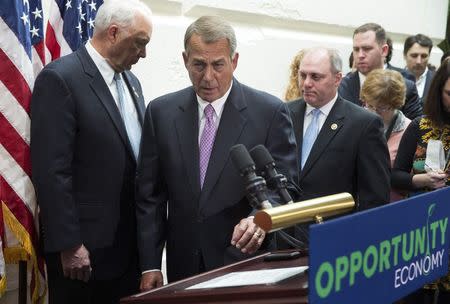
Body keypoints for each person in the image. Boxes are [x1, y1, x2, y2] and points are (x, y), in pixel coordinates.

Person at [136, 16, 298, 290]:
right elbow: (149, 195)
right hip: (183, 268)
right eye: (199, 64)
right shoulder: (161, 113)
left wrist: (259, 217)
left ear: (234, 61)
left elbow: (285, 188)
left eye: (218, 65)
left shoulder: (269, 113)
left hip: (244, 262)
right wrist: (150, 263)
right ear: (186, 60)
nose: (208, 76)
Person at [30, 1, 152, 303]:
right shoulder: (61, 78)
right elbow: (51, 170)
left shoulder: (132, 82)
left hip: (128, 253)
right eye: (140, 43)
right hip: (84, 257)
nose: (144, 54)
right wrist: (69, 244)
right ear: (113, 33)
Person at [288, 47, 390, 215]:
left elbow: (374, 197)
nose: (306, 83)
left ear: (337, 79)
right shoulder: (284, 113)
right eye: (303, 75)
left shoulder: (363, 124)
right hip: (284, 232)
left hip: (332, 232)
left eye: (315, 76)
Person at [392, 59, 450, 304]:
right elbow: (396, 176)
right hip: (421, 231)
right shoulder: (420, 126)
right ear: (438, 91)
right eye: (449, 93)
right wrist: (422, 179)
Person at [339, 23, 422, 120]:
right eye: (356, 49)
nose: (360, 55)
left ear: (384, 50)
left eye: (367, 49)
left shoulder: (406, 87)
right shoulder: (341, 86)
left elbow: (416, 130)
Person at [360, 69, 410, 201]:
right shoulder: (358, 123)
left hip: (393, 204)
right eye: (370, 106)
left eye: (381, 108)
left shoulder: (409, 130)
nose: (374, 113)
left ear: (396, 104)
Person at [403, 34, 435, 100]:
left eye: (424, 56)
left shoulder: (437, 80)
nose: (418, 61)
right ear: (404, 55)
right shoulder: (395, 79)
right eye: (414, 55)